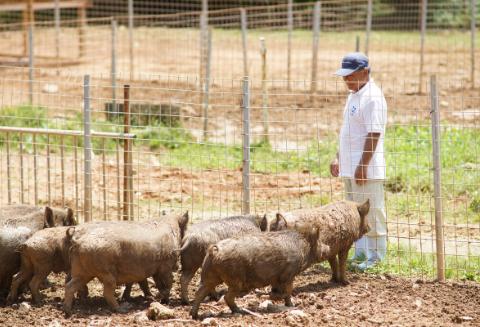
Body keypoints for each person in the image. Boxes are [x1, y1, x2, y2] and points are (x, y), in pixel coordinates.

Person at [330, 52, 387, 271]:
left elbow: (374, 134)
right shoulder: (354, 94)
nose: (346, 81)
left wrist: (363, 165)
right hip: (350, 166)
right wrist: (338, 157)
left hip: (366, 168)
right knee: (355, 214)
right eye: (344, 76)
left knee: (371, 211)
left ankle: (376, 256)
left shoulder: (373, 97)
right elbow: (348, 132)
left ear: (365, 72)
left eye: (350, 76)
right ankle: (361, 252)